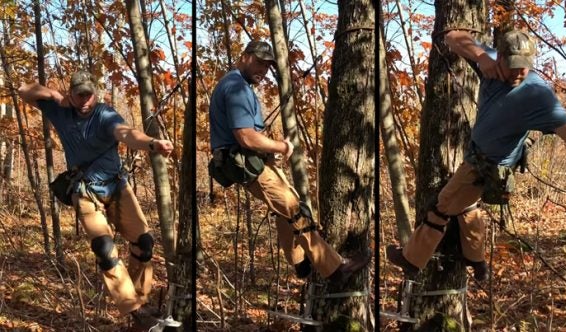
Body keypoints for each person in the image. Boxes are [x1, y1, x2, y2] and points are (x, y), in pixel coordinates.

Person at [387, 29, 566, 281]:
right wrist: (480, 57)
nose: (517, 72)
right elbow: (453, 37)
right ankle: (476, 260)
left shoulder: (537, 96)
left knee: (442, 206)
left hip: (486, 166)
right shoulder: (490, 61)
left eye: (523, 66)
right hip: (477, 155)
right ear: (499, 56)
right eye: (511, 64)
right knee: (467, 205)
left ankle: (412, 259)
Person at [18, 71, 175, 329]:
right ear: (71, 94)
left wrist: (152, 143)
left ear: (95, 93)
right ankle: (134, 310)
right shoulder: (61, 112)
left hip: (116, 186)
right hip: (84, 191)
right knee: (104, 248)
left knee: (144, 243)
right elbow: (25, 89)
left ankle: (142, 299)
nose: (84, 100)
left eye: (88, 94)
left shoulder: (105, 114)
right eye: (78, 94)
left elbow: (127, 133)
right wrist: (57, 96)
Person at [208, 40, 370, 283]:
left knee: (287, 209)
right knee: (294, 209)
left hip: (251, 163)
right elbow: (246, 137)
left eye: (266, 66)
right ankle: (334, 268)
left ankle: (301, 264)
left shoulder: (238, 85)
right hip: (245, 164)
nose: (262, 70)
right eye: (258, 62)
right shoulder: (237, 87)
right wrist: (282, 146)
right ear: (244, 56)